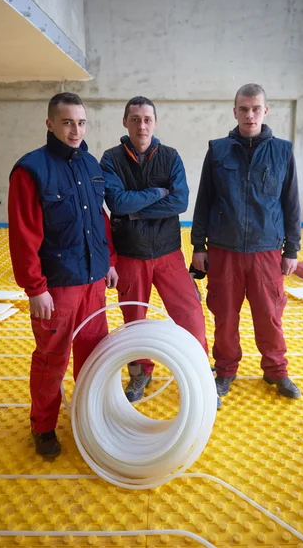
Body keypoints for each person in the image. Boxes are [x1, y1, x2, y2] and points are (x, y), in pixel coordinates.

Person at [8, 92, 118, 457]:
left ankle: (89, 417)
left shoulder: (90, 164)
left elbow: (100, 221)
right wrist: (35, 288)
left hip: (93, 282)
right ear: (50, 123)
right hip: (56, 288)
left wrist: (110, 262)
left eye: (81, 122)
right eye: (68, 122)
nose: (75, 130)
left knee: (93, 354)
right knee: (51, 359)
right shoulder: (31, 170)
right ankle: (43, 427)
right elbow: (24, 235)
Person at [191, 83, 301, 406]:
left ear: (265, 111)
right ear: (235, 111)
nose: (249, 114)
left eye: (256, 108)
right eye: (244, 108)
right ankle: (225, 370)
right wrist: (198, 245)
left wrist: (292, 249)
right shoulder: (218, 150)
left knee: (269, 314)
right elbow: (204, 201)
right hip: (224, 250)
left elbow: (291, 204)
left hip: (266, 250)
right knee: (224, 314)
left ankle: (276, 369)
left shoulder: (283, 151)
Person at [100, 96, 208, 403]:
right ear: (125, 122)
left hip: (168, 252)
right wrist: (156, 194)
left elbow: (180, 202)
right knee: (134, 320)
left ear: (155, 122)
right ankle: (140, 374)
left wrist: (135, 210)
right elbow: (117, 203)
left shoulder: (171, 157)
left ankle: (200, 371)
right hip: (131, 254)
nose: (141, 125)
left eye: (147, 119)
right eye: (135, 119)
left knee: (189, 313)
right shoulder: (110, 159)